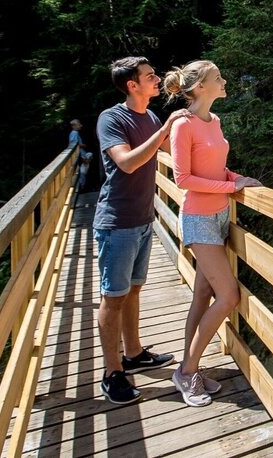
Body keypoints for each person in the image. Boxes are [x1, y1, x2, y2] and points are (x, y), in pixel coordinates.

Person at [163, 60, 262, 407]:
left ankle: (188, 366)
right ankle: (187, 371)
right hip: (198, 218)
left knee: (204, 293)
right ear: (200, 87)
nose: (224, 81)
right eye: (217, 77)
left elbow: (217, 167)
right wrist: (230, 186)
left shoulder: (214, 121)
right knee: (228, 296)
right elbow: (183, 179)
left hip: (219, 214)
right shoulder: (183, 125)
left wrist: (235, 179)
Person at [93, 56, 190, 404]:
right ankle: (112, 372)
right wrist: (164, 130)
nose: (158, 79)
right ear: (132, 85)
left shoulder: (149, 116)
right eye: (150, 77)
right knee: (113, 297)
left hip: (143, 218)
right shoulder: (112, 118)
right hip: (116, 222)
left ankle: (133, 353)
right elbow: (127, 162)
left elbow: (171, 151)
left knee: (133, 290)